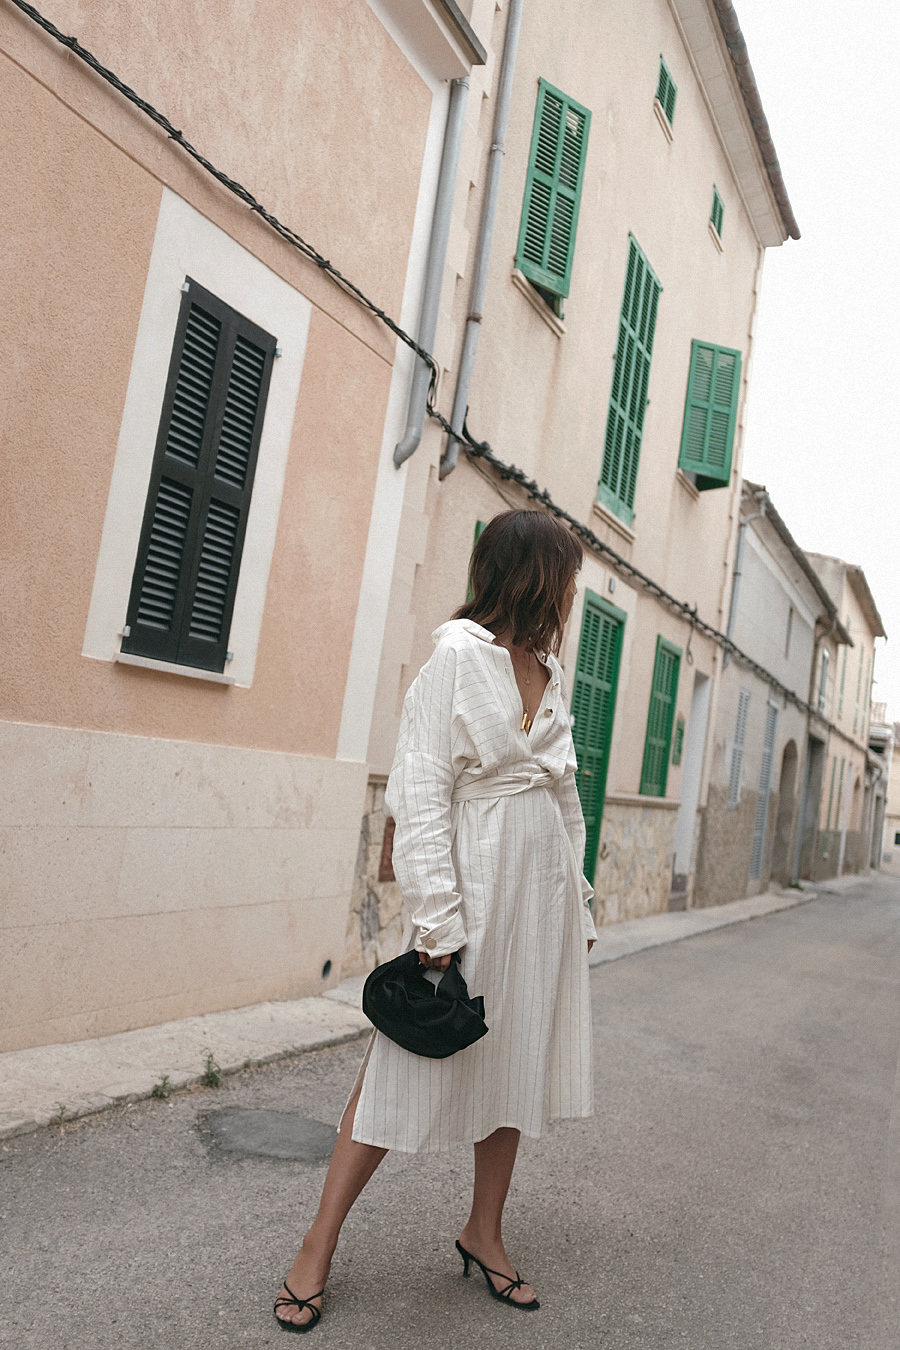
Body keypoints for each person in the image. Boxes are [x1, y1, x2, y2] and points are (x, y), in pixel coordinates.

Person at [274, 509, 597, 1333]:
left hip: (540, 902)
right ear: (531, 576)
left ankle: (483, 1231)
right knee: (402, 1068)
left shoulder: (549, 671)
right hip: (476, 896)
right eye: (563, 576)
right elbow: (419, 796)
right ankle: (317, 1243)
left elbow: (564, 797)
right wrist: (439, 928)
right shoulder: (456, 658)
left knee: (514, 1067)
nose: (570, 593)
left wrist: (580, 903)